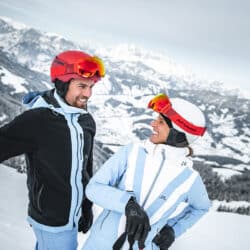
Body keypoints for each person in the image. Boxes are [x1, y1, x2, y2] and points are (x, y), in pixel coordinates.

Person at [0, 50, 105, 250]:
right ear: (62, 83)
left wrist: (86, 206)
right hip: (51, 221)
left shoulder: (85, 120)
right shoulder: (39, 119)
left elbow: (85, 167)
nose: (88, 94)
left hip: (72, 217)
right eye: (81, 86)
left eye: (91, 87)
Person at [82, 93, 211, 250]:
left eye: (161, 122)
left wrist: (173, 229)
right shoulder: (133, 152)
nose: (153, 124)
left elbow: (201, 207)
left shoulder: (189, 179)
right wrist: (128, 205)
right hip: (99, 245)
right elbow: (94, 188)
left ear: (177, 135)